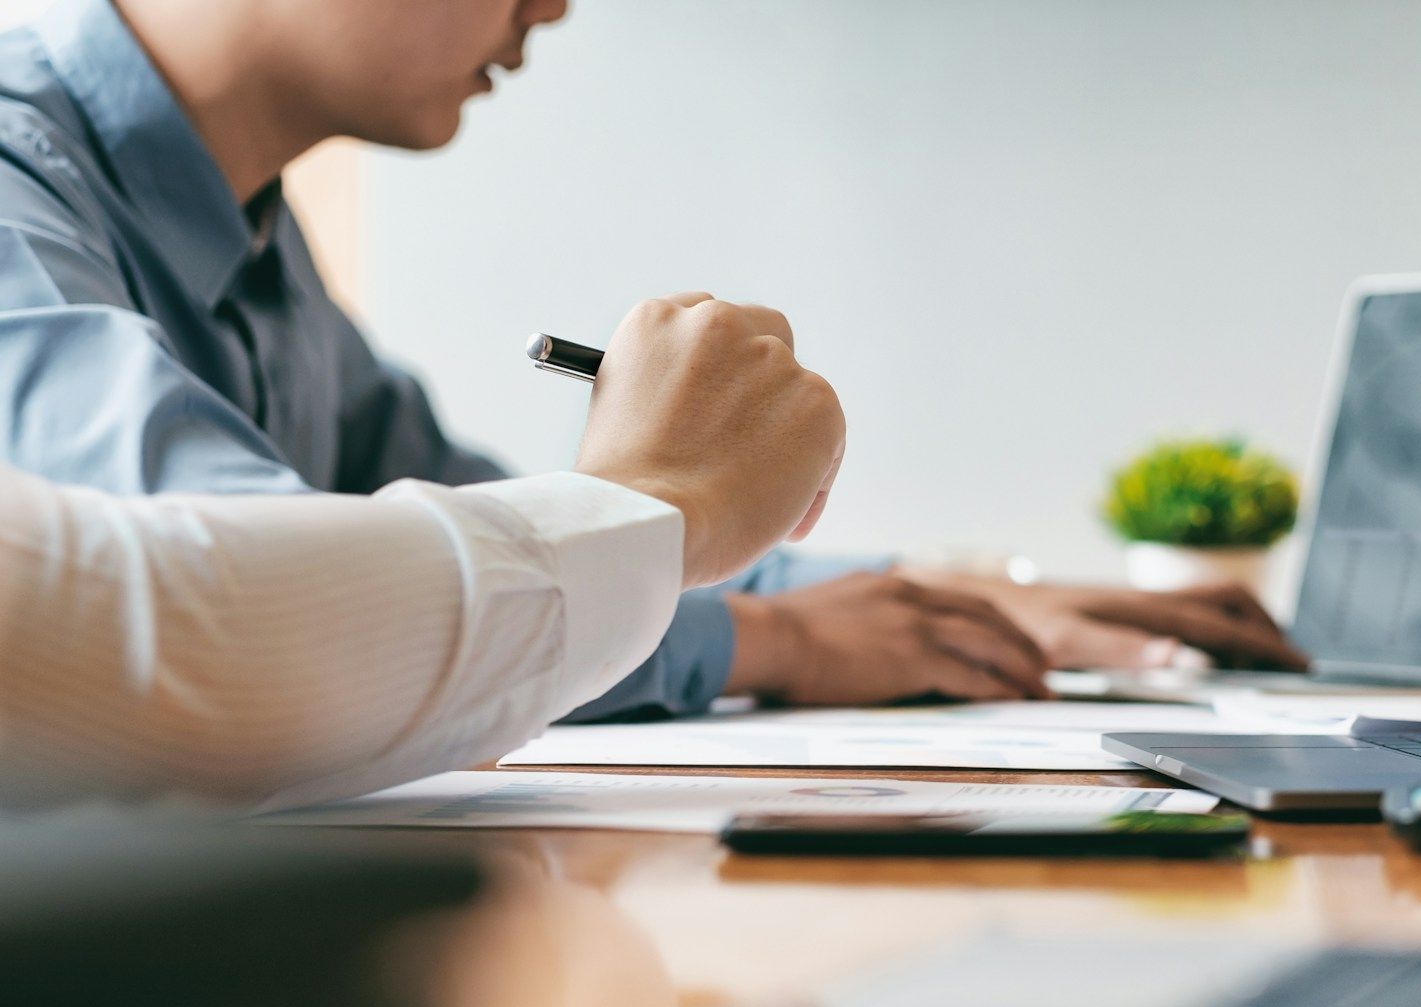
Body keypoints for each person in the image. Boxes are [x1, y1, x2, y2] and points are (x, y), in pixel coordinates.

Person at [0, 0, 1308, 721]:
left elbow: (453, 530)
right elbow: (255, 617)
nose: (561, 5)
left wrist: (946, 597)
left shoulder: (257, 252)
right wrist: (762, 627)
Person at [0, 293, 852, 809]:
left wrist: (904, 592)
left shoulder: (263, 249)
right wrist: (666, 508)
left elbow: (453, 501)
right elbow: (238, 634)